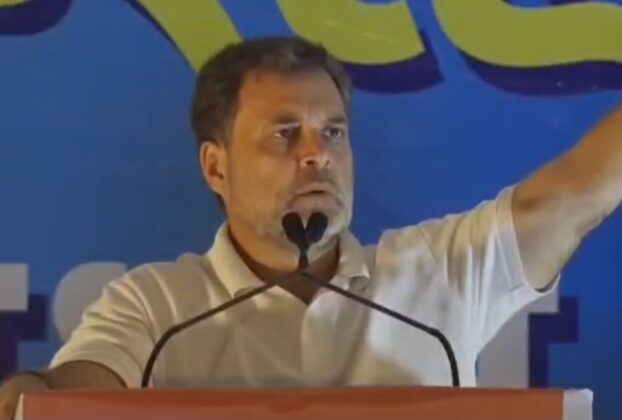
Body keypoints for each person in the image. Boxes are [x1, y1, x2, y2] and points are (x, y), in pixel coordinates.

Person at [1, 35, 621, 418]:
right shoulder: (153, 306)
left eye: (333, 133)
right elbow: (71, 398)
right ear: (216, 166)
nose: (317, 154)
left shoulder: (435, 274)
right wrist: (32, 392)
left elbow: (572, 196)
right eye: (285, 134)